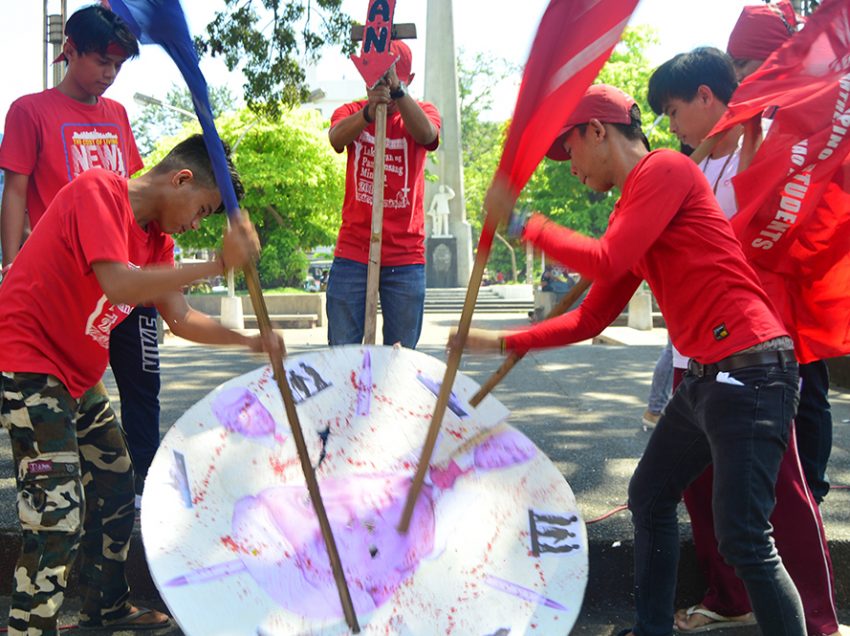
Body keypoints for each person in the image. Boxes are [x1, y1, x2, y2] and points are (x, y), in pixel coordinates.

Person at [459, 84, 806, 636]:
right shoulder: (635, 208)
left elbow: (605, 258)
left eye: (568, 149)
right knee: (650, 495)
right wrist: (504, 341)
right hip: (706, 378)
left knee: (743, 536)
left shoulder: (664, 170)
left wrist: (525, 222)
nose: (569, 166)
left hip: (751, 368)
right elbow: (590, 318)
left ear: (597, 131)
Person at [0, 133, 280, 633]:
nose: (197, 223)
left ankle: (103, 608)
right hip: (26, 362)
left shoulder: (159, 242)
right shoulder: (98, 193)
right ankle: (28, 626)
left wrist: (249, 341)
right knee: (57, 511)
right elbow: (120, 284)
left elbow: (181, 317)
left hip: (78, 376)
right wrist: (218, 263)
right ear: (182, 179)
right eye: (201, 209)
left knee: (116, 483)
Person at [648, 45, 842, 636]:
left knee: (778, 489)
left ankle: (814, 617)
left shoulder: (769, 149)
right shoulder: (690, 162)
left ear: (707, 98)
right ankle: (730, 597)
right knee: (697, 491)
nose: (671, 126)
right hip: (692, 353)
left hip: (753, 358)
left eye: (674, 111)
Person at [0, 4, 162, 505]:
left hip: (124, 273)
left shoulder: (116, 114)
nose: (109, 75)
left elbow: (135, 188)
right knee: (69, 391)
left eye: (118, 66)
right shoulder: (31, 110)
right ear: (69, 51)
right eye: (101, 62)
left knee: (141, 384)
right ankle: (70, 489)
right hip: (67, 286)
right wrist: (10, 264)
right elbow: (16, 189)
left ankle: (144, 491)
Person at [326, 40, 441, 349]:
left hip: (405, 255)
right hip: (353, 251)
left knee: (401, 357)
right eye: (376, 82)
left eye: (391, 82)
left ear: (408, 80)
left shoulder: (422, 112)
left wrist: (399, 94)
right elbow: (336, 139)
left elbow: (429, 136)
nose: (384, 90)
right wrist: (367, 113)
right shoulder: (351, 111)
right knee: (343, 352)